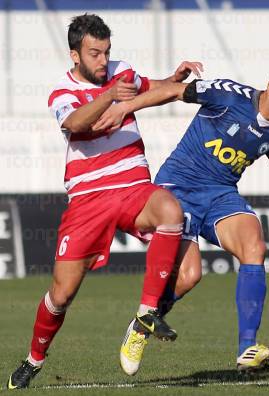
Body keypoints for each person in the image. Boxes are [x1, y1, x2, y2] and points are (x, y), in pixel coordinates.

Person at [7, 14, 203, 389]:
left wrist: (174, 79)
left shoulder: (122, 72)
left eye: (106, 52)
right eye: (94, 53)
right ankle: (34, 359)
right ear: (75, 55)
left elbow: (149, 88)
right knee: (61, 293)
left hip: (132, 185)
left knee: (176, 226)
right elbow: (76, 124)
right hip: (88, 199)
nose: (102, 60)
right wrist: (109, 96)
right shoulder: (61, 92)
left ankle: (145, 316)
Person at [92, 60, 269, 374]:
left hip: (220, 193)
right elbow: (173, 91)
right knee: (189, 275)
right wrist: (125, 108)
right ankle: (141, 327)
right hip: (179, 186)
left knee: (254, 244)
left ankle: (247, 347)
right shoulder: (229, 96)